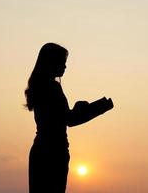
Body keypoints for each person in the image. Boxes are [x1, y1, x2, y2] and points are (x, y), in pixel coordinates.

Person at [24, 43, 113, 193]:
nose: (65, 66)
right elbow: (69, 119)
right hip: (54, 153)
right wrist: (98, 107)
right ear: (52, 62)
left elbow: (60, 117)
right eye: (62, 62)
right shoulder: (52, 88)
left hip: (41, 151)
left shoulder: (39, 86)